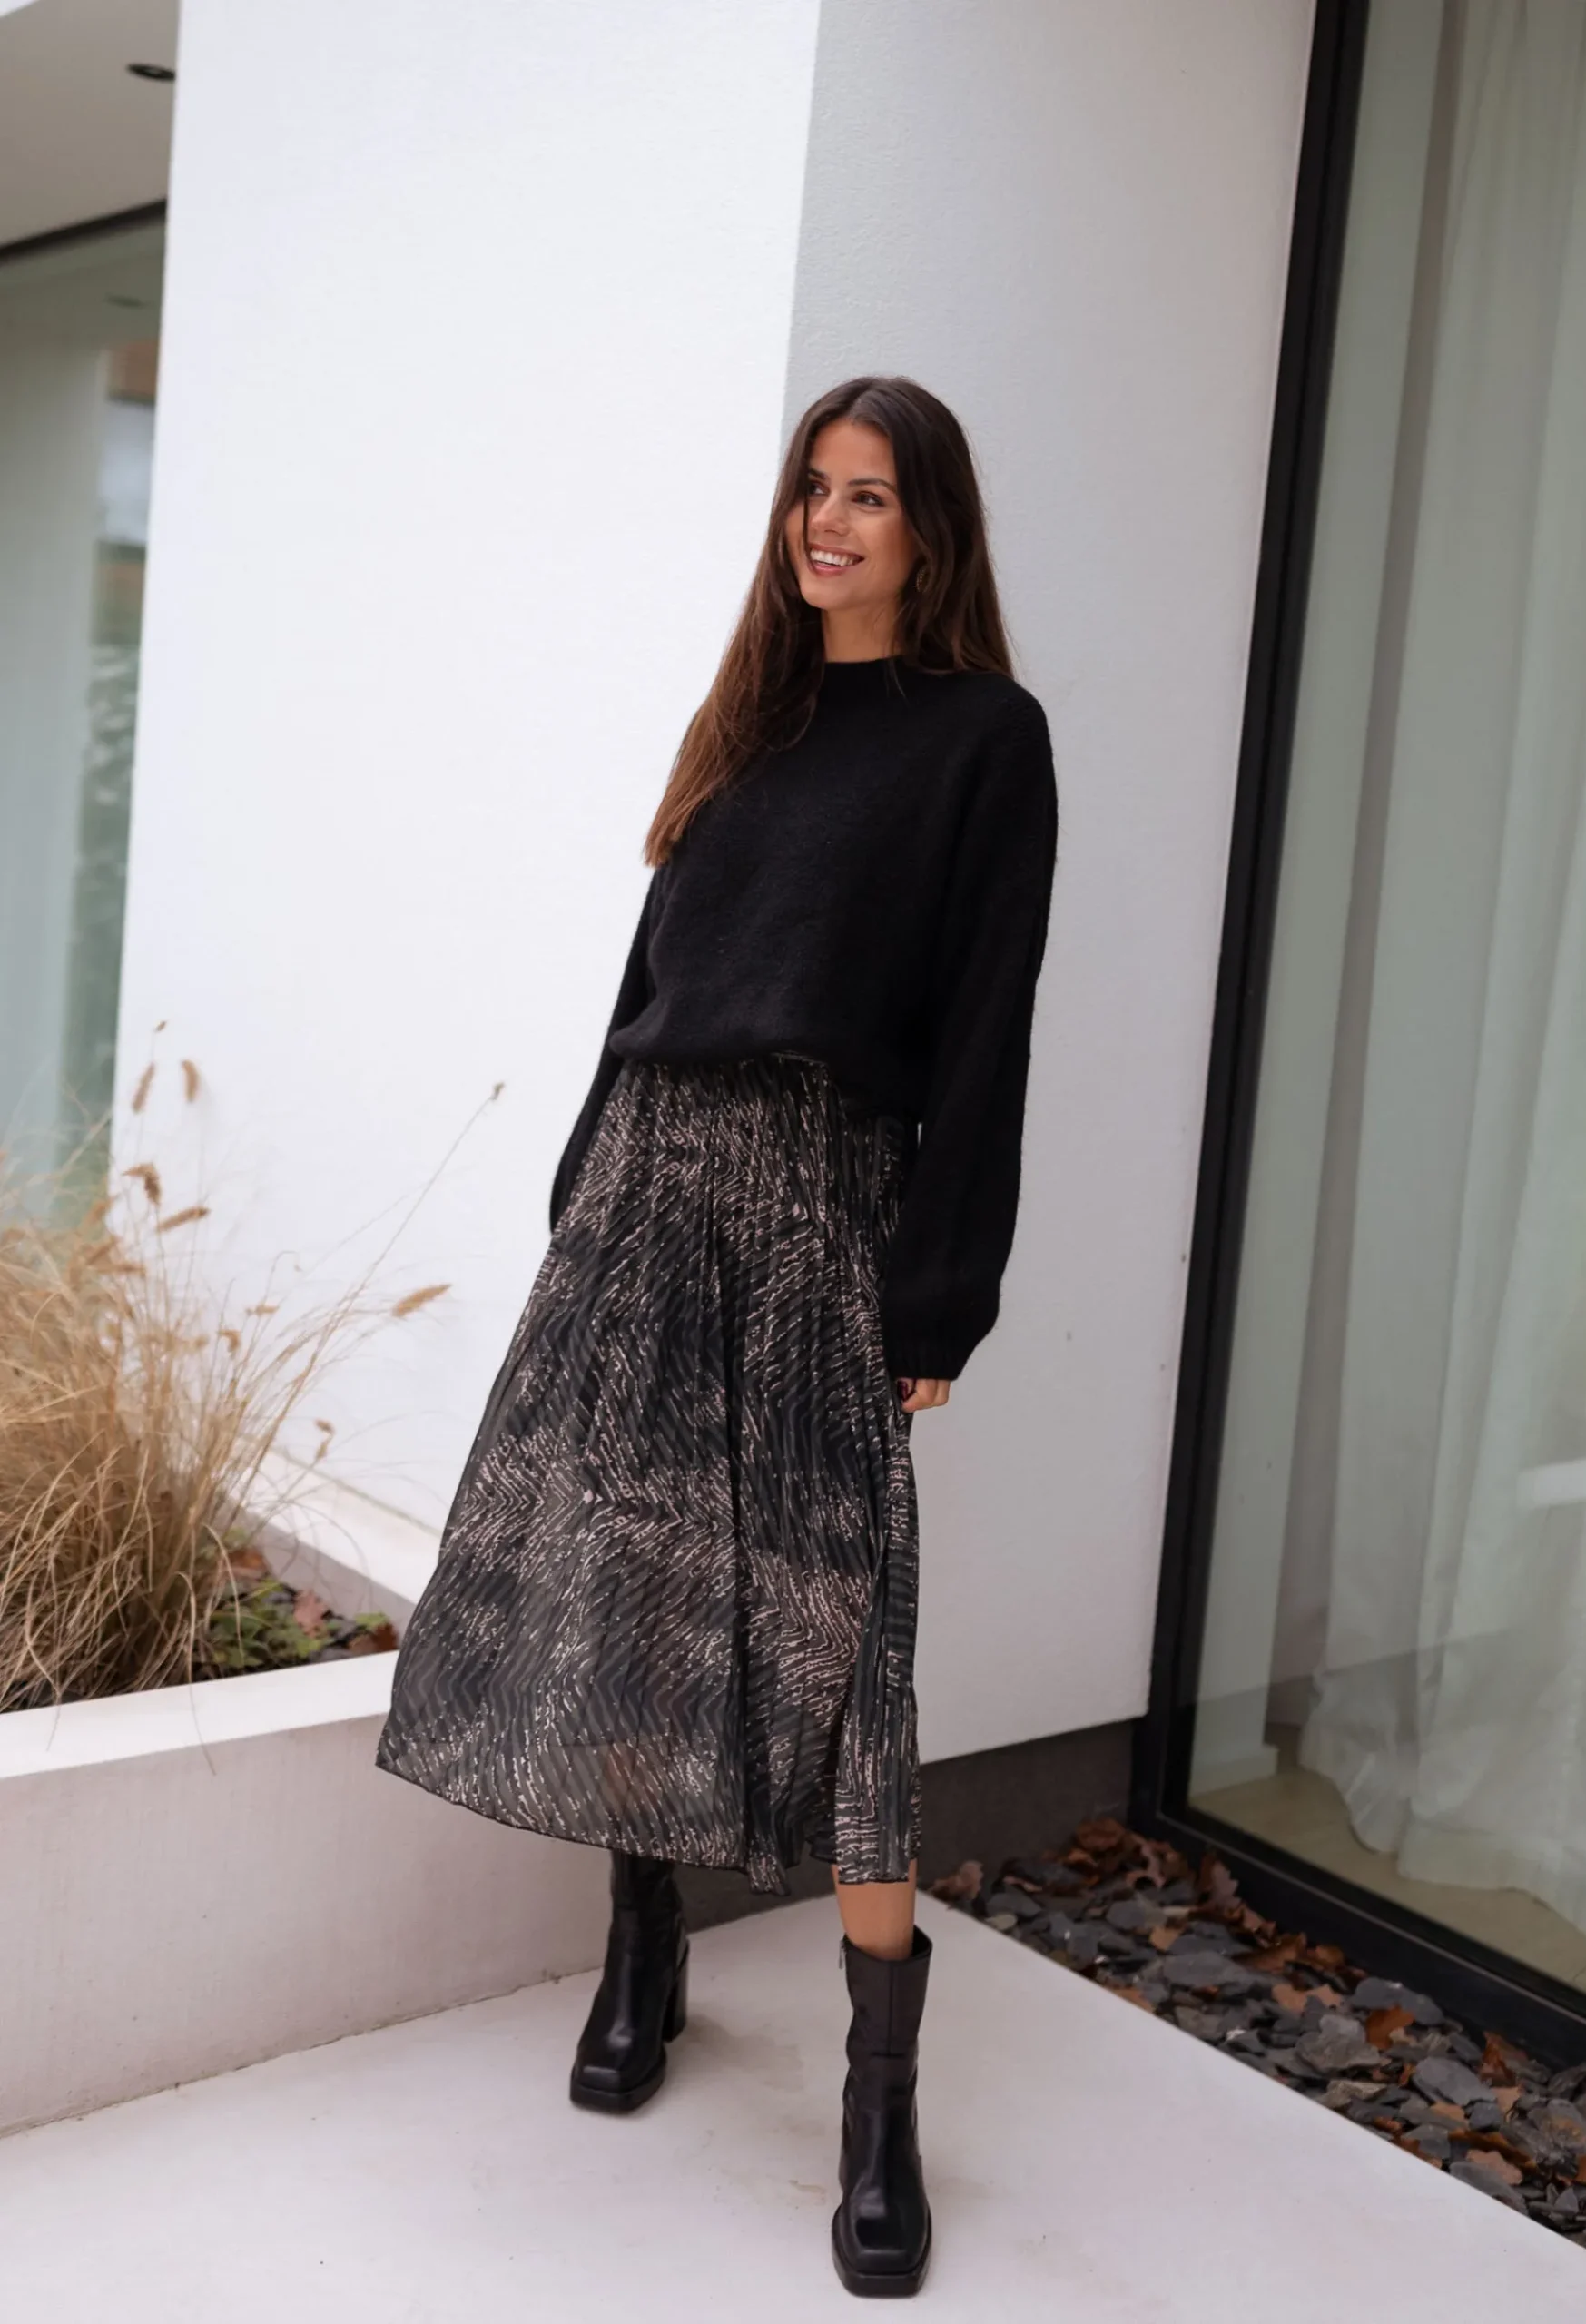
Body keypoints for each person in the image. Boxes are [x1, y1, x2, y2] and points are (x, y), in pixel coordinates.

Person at [377, 374, 1058, 2299]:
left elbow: (991, 1025)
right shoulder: (748, 719)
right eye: (810, 489)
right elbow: (644, 987)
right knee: (629, 1585)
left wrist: (942, 1285)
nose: (827, 521)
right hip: (648, 1197)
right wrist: (582, 1193)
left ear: (930, 526)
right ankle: (642, 1943)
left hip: (825, 1208)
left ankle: (875, 2105)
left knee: (849, 1652)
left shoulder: (984, 740)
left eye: (869, 495)